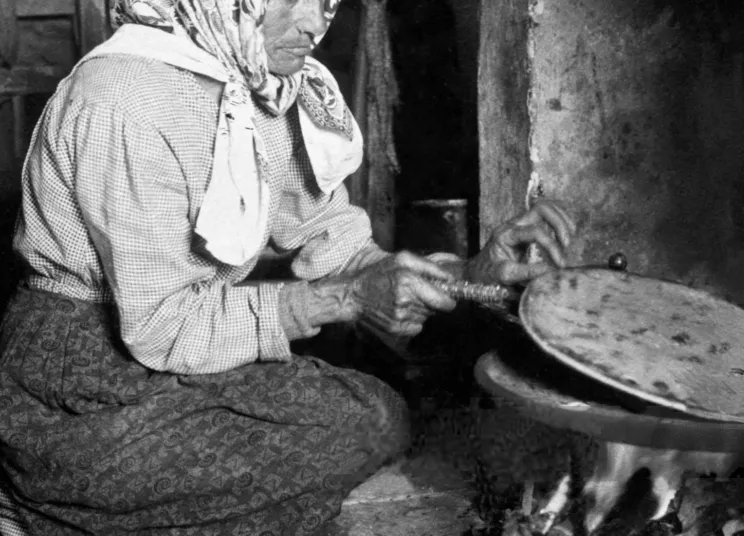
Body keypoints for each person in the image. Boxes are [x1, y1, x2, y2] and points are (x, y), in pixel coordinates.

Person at [0, 0, 576, 533]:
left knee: (375, 414)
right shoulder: (123, 96)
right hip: (81, 373)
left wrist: (473, 277)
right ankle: (34, 502)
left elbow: (342, 248)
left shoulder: (261, 86)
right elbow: (159, 325)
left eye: (322, 1)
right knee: (347, 428)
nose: (312, 23)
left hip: (184, 350)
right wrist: (346, 298)